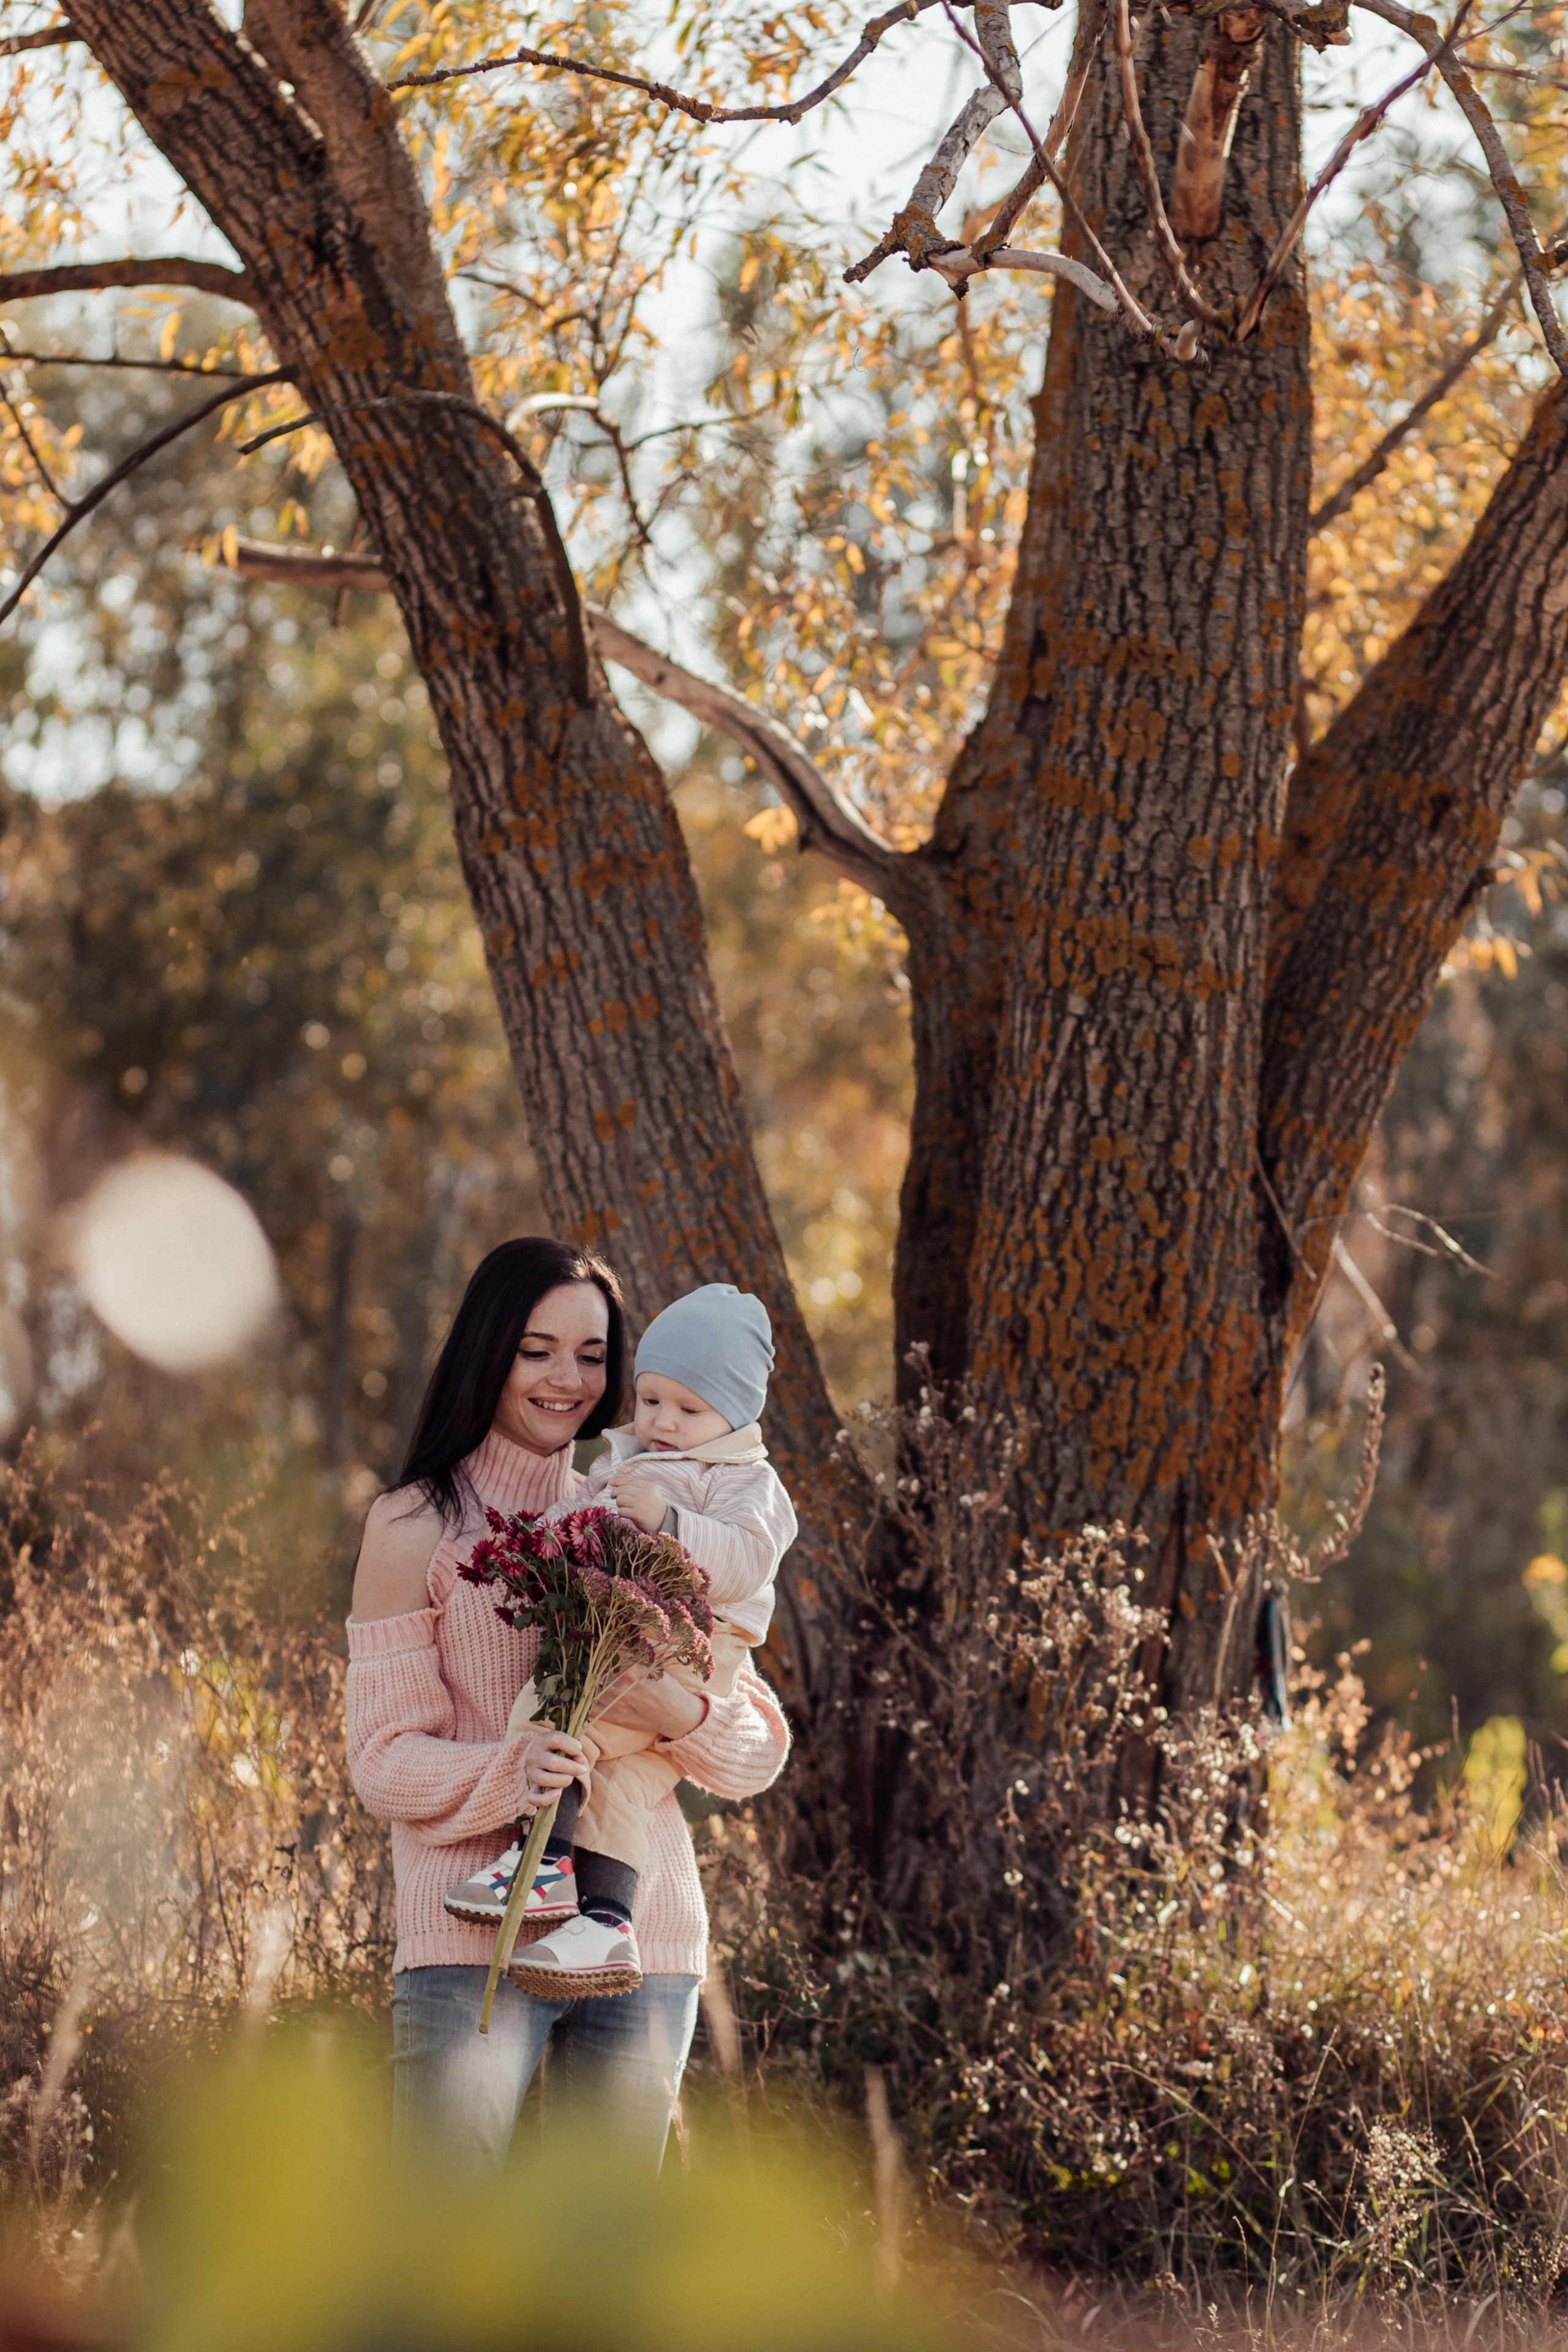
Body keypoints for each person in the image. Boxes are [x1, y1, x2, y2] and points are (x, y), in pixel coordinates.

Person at [345, 1238, 791, 2166]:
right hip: (472, 1934)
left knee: (606, 2276)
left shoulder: (652, 1506)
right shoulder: (412, 1524)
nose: (568, 1379)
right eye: (537, 1349)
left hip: (641, 1937)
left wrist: (679, 1712)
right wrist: (515, 1772)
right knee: (446, 2253)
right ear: (488, 1349)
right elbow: (383, 1760)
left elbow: (755, 1747)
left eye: (593, 1355)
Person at [443, 1283, 797, 2000]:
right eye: (652, 1400)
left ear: (736, 1414)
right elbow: (587, 1517)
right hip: (632, 1623)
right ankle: (606, 1921)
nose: (664, 1422)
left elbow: (744, 1562)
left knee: (559, 1707)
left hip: (691, 1646)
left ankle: (540, 1861)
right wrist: (541, 1547)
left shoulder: (745, 1480)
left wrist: (669, 1520)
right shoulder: (629, 1462)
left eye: (689, 1409)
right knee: (616, 1788)